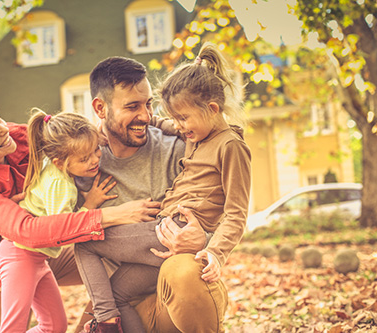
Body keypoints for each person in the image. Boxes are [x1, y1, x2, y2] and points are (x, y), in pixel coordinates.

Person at [0, 97, 161, 333]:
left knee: (60, 320)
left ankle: (97, 327)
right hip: (4, 263)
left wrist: (159, 124)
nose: (3, 128)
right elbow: (28, 230)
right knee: (9, 327)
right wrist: (112, 214)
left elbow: (71, 136)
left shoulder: (19, 136)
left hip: (46, 253)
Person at [74, 43, 251, 333]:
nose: (146, 116)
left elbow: (236, 212)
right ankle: (108, 319)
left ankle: (106, 320)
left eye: (148, 105)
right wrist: (90, 129)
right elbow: (162, 121)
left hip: (171, 241)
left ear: (212, 109)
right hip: (156, 248)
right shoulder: (84, 160)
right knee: (115, 294)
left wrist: (211, 247)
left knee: (84, 238)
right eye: (133, 106)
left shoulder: (218, 144)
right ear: (100, 108)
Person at [0, 110, 121, 332]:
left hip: (36, 259)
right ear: (60, 161)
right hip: (20, 255)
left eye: (96, 150)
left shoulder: (56, 169)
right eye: (84, 158)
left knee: (54, 326)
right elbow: (59, 232)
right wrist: (90, 204)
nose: (94, 160)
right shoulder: (59, 183)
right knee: (12, 327)